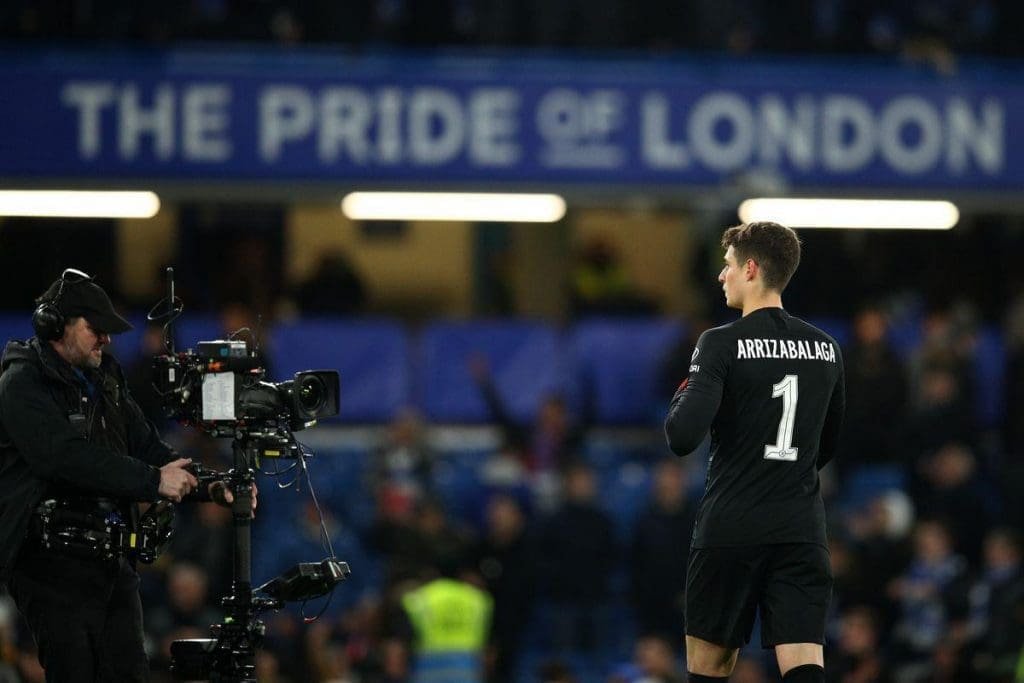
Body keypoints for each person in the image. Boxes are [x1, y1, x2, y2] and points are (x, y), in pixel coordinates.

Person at [0, 268, 251, 682]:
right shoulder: (21, 383)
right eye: (95, 328)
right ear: (54, 325)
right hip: (50, 565)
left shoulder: (107, 379)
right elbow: (63, 458)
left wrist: (212, 486)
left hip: (112, 560)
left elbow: (150, 448)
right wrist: (152, 481)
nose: (106, 338)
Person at [664, 222, 846, 683]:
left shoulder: (720, 343)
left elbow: (682, 436)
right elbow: (826, 447)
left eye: (726, 266)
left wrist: (685, 389)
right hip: (801, 529)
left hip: (731, 527)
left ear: (750, 268)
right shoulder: (827, 350)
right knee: (804, 663)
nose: (721, 277)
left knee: (709, 668)